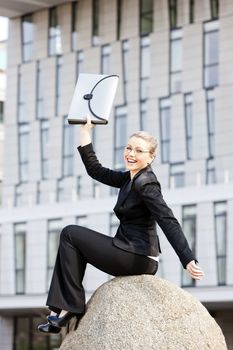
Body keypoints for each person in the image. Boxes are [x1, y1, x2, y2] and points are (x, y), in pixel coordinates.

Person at [38, 117, 204, 334]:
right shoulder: (130, 178)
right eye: (128, 148)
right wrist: (85, 132)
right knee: (72, 240)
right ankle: (63, 311)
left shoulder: (147, 183)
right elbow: (96, 170)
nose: (131, 154)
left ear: (151, 157)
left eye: (139, 151)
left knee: (70, 233)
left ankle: (67, 309)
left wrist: (187, 258)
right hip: (130, 252)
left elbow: (167, 219)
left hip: (137, 256)